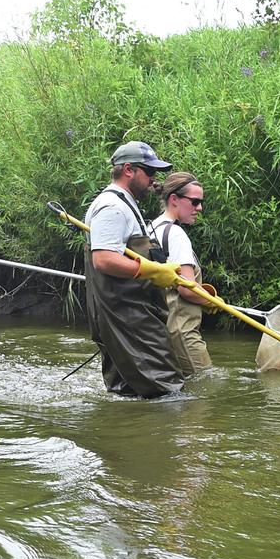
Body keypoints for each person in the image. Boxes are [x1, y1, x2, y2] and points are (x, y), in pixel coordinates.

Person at [83, 141, 184, 398]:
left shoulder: (124, 203)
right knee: (167, 392)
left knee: (127, 393)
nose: (153, 179)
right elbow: (103, 259)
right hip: (129, 317)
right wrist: (151, 271)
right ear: (129, 169)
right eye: (149, 172)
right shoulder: (112, 207)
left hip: (127, 314)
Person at [152, 172, 214, 376]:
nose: (199, 208)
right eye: (195, 202)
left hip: (161, 331)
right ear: (174, 199)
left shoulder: (152, 228)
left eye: (200, 202)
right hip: (183, 331)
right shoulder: (176, 235)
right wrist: (212, 301)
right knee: (205, 386)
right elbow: (187, 289)